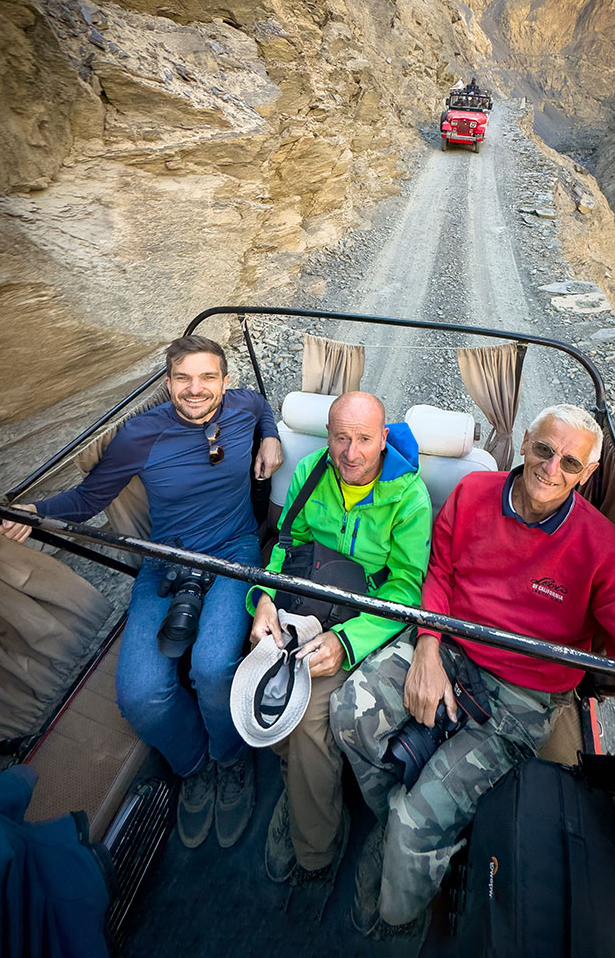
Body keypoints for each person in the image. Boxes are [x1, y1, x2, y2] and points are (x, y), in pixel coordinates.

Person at [331, 403, 615, 943]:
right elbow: (439, 569)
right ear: (527, 440)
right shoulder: (471, 493)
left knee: (416, 828)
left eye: (571, 464)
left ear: (588, 474)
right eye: (546, 450)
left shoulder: (603, 551)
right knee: (348, 714)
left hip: (520, 699)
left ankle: (398, 919)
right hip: (450, 647)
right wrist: (429, 646)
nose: (552, 470)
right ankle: (386, 817)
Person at [0, 335, 283, 851]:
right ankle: (194, 763)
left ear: (224, 380)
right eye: (183, 379)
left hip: (234, 549)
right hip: (166, 560)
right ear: (168, 380)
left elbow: (261, 404)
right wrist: (34, 513)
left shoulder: (243, 406)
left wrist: (269, 435)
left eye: (207, 378)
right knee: (139, 695)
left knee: (214, 667)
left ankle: (229, 760)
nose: (195, 390)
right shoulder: (140, 434)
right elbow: (87, 498)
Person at [247, 391, 432, 914]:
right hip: (306, 606)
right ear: (327, 437)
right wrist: (262, 599)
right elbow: (286, 545)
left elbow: (406, 590)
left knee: (306, 716)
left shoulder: (409, 498)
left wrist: (348, 642)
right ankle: (302, 790)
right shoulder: (311, 470)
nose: (350, 454)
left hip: (367, 623)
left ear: (383, 439)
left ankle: (316, 848)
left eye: (364, 440)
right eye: (340, 438)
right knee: (259, 685)